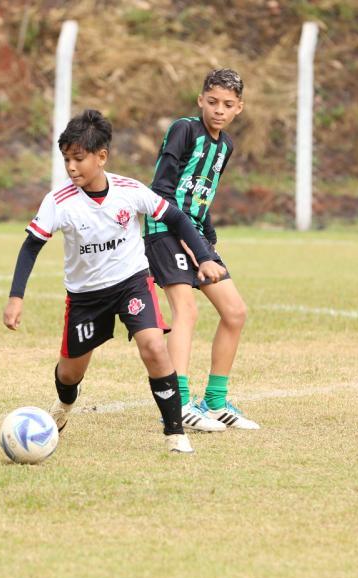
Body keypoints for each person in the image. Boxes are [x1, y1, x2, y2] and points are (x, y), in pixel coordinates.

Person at [3, 110, 227, 454]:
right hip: (86, 297)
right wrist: (16, 297)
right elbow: (31, 246)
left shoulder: (129, 191)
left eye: (79, 158)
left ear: (102, 156)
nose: (71, 167)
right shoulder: (58, 201)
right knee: (69, 374)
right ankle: (64, 404)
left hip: (131, 284)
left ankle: (175, 433)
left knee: (154, 347)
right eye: (66, 159)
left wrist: (205, 256)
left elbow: (177, 219)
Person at [143, 68, 258, 432]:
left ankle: (216, 401)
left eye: (227, 104)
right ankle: (178, 403)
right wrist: (188, 239)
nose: (219, 110)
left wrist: (206, 236)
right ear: (200, 100)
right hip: (164, 228)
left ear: (239, 108)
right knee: (187, 310)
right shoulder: (184, 130)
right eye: (212, 102)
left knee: (235, 312)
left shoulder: (225, 147)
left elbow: (202, 194)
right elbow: (162, 189)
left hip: (195, 234)